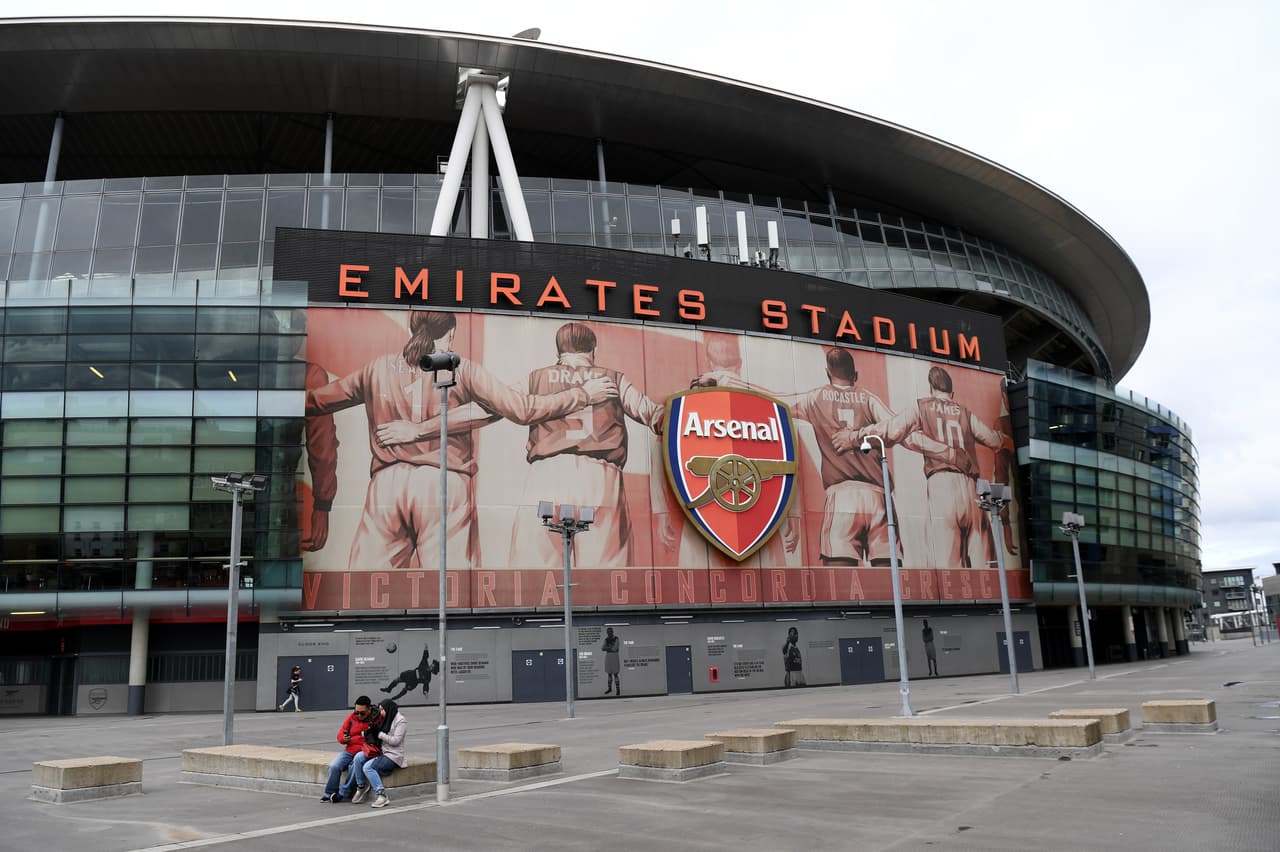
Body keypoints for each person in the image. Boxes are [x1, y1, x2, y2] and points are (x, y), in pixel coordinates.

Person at [307, 311, 618, 572]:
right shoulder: (462, 368)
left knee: (368, 589)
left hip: (386, 486)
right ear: (451, 333)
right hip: (445, 483)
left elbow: (317, 403)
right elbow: (523, 410)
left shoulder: (376, 369)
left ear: (414, 328)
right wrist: (582, 395)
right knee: (451, 591)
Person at [507, 322, 664, 569]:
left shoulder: (535, 377)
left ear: (559, 351)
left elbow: (502, 403)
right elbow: (654, 415)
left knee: (533, 575)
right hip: (600, 478)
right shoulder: (613, 378)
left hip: (546, 474)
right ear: (593, 350)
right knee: (604, 577)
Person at [849, 365, 1010, 571]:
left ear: (931, 388)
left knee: (947, 561)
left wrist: (857, 435)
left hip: (941, 484)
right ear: (951, 393)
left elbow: (892, 429)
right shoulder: (965, 412)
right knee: (983, 560)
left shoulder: (922, 406)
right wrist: (1007, 440)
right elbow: (993, 440)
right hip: (971, 487)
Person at [340, 698, 407, 808]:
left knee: (367, 767)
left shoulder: (400, 721)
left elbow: (396, 741)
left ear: (388, 709)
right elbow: (376, 733)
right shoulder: (386, 718)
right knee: (358, 757)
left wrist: (379, 734)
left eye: (382, 710)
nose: (381, 712)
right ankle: (361, 787)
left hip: (393, 755)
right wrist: (370, 732)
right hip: (381, 751)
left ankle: (382, 796)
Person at [320, 696, 373, 802]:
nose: (358, 715)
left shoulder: (375, 719)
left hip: (364, 751)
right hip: (350, 750)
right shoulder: (352, 717)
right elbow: (341, 733)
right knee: (334, 766)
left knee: (354, 767)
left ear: (369, 709)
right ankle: (329, 793)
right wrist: (343, 739)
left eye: (362, 713)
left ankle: (344, 793)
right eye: (356, 712)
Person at [602, 627, 621, 696]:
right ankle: (609, 688)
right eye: (608, 631)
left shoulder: (616, 638)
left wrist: (607, 648)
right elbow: (602, 648)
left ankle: (618, 689)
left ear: (612, 632)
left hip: (614, 656)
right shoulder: (606, 639)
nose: (609, 633)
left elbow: (615, 648)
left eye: (610, 631)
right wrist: (609, 648)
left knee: (615, 673)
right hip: (608, 657)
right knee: (609, 673)